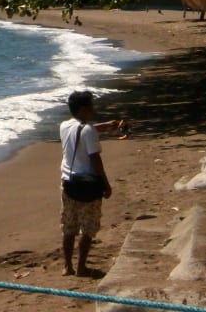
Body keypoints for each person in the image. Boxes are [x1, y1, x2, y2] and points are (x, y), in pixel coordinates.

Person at [59, 90, 118, 276]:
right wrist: (106, 185)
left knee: (69, 226)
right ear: (84, 109)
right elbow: (95, 159)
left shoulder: (63, 126)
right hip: (88, 184)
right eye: (91, 106)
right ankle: (81, 267)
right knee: (88, 228)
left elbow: (82, 131)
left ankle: (67, 266)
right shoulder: (89, 130)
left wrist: (104, 126)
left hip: (68, 182)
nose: (93, 109)